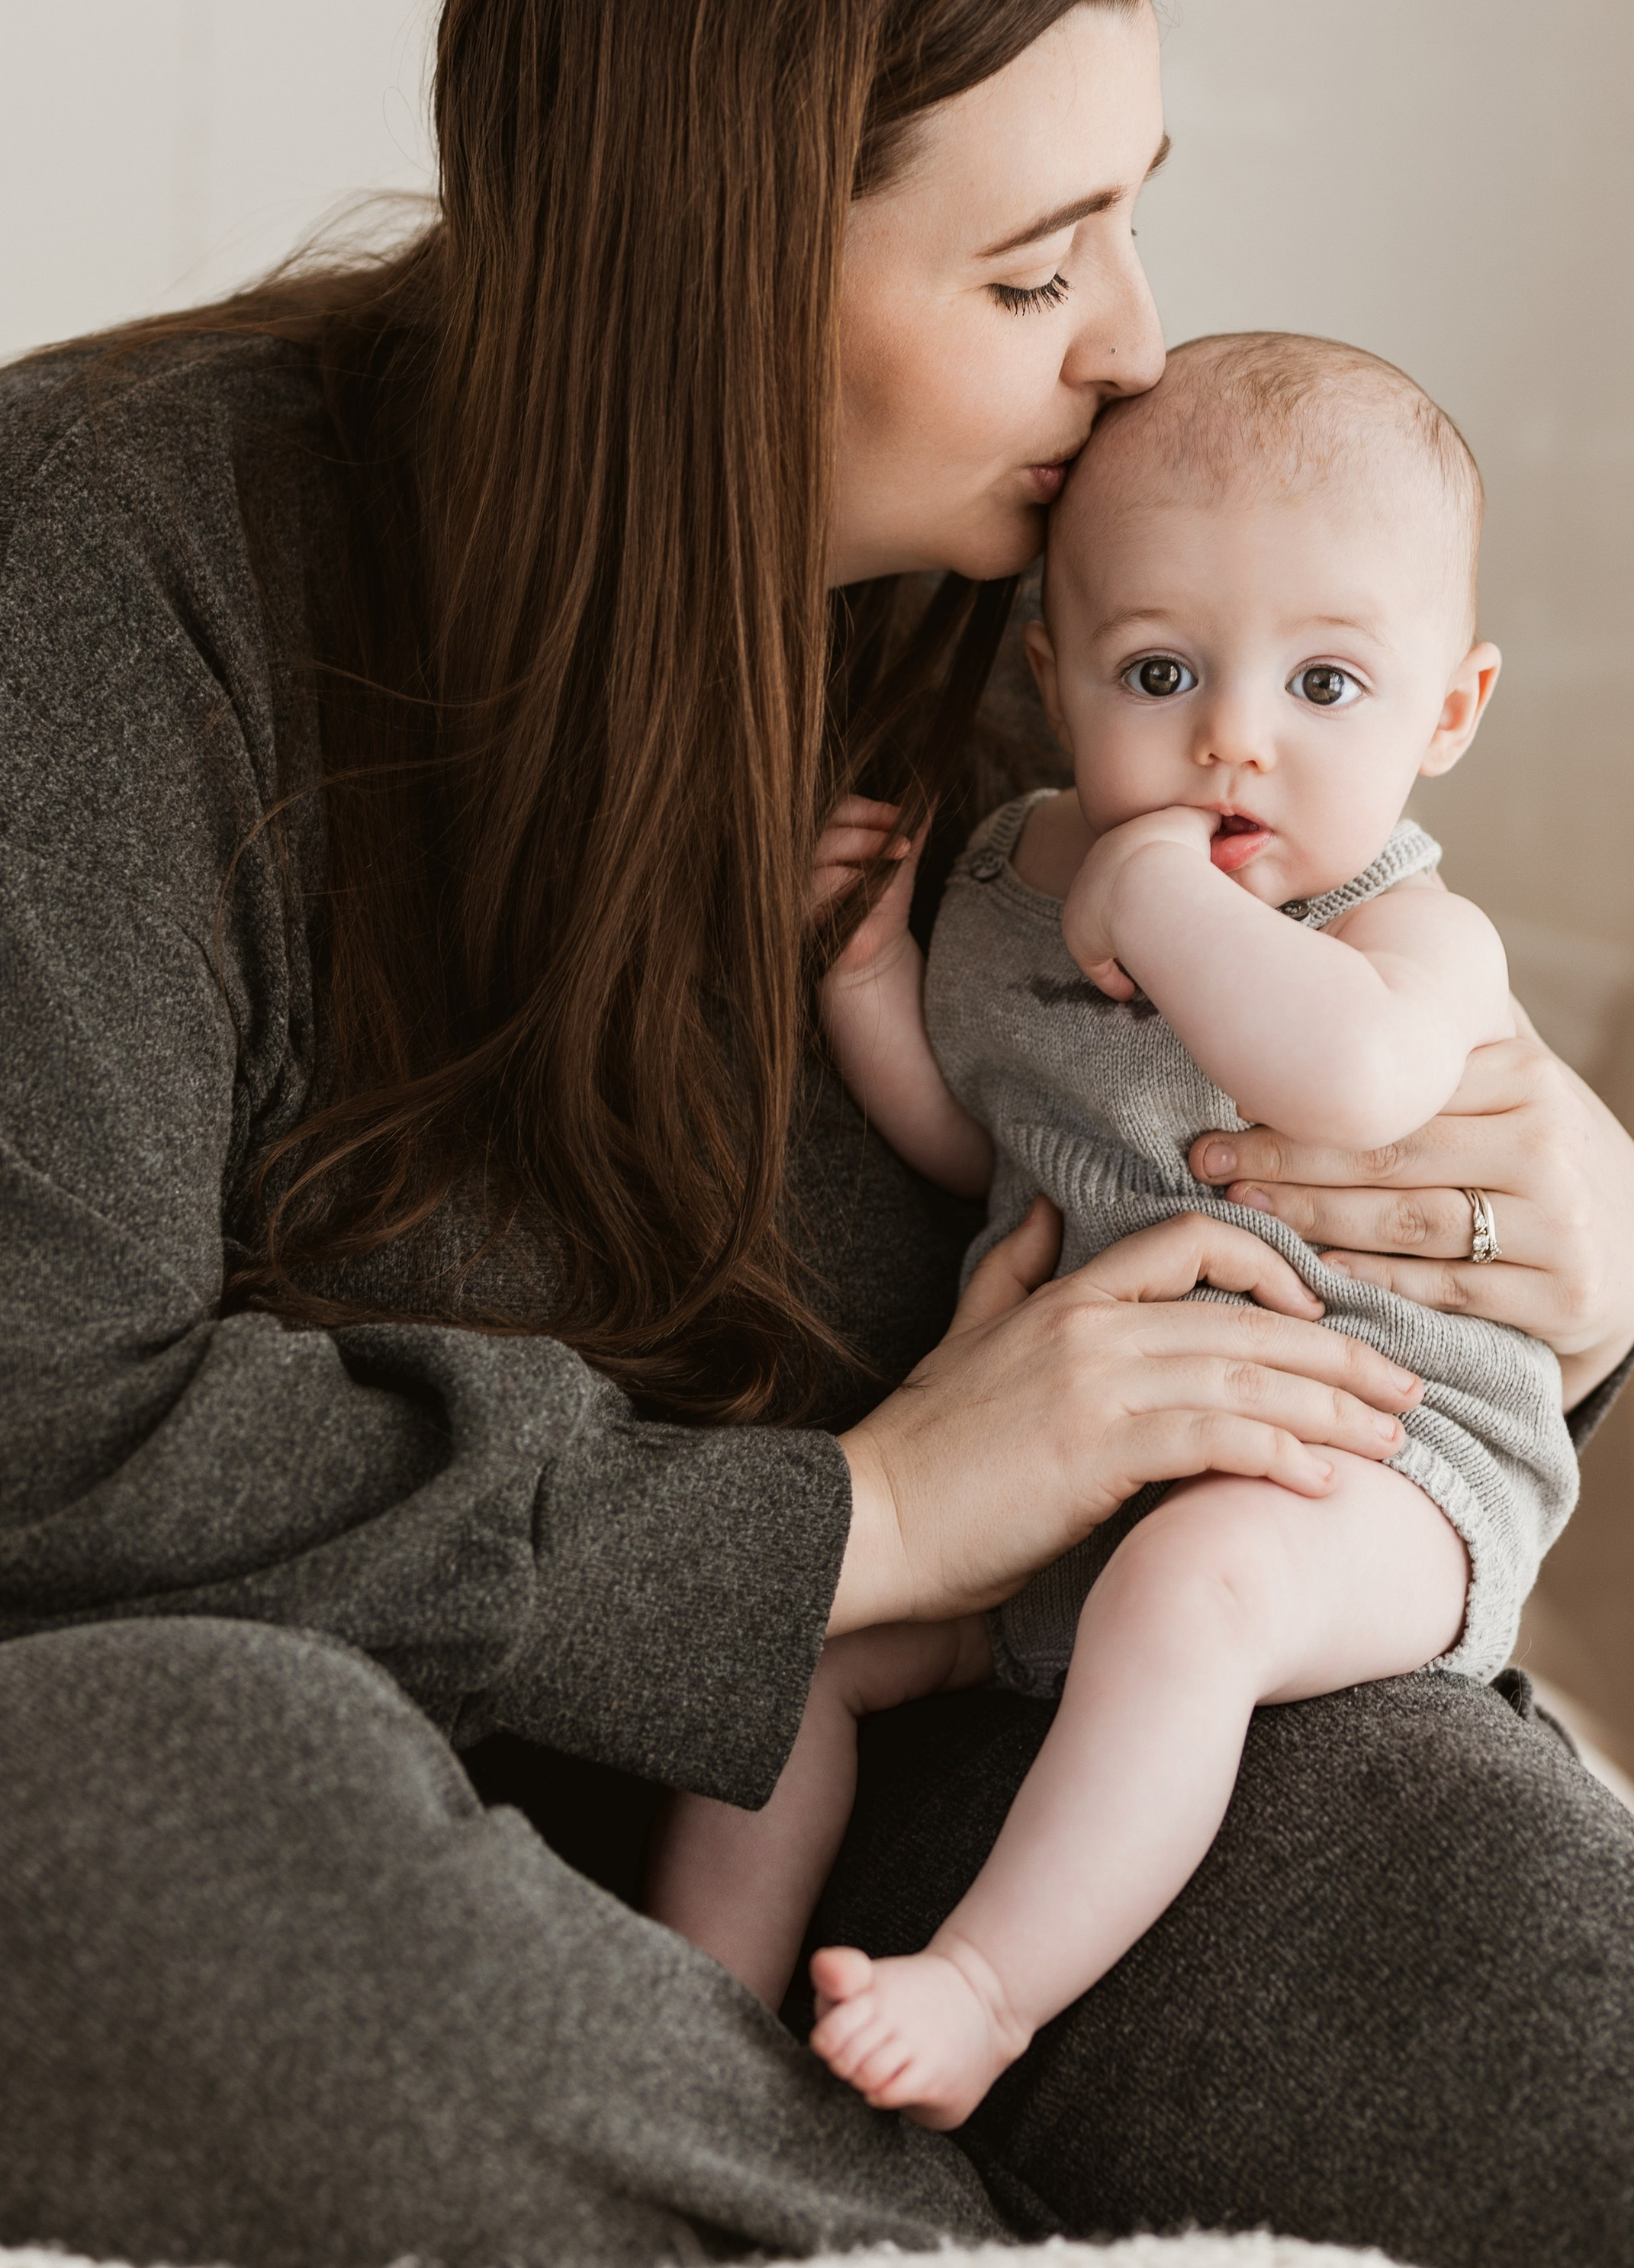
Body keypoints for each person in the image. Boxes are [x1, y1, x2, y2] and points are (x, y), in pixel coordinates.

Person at [2, 0, 1634, 2268]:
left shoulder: (1064, 614)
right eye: (1035, 276)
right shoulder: (97, 581)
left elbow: (1284, 1162)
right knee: (141, 1819)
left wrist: (1576, 1254)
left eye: (1136, 223)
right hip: (363, 1773)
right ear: (705, 286)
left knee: (1617, 2033)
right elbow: (48, 1424)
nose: (1131, 348)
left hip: (972, 1766)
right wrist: (863, 1524)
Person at [648, 333, 1581, 2131]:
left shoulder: (1405, 936)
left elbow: (1350, 1078)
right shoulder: (1015, 876)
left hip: (1374, 1464)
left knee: (1192, 1592)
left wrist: (1157, 896)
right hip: (1077, 1473)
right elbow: (983, 1138)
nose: (1233, 738)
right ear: (1052, 674)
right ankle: (678, 2019)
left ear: (1445, 715)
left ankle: (985, 1989)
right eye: (1160, 671)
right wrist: (866, 980)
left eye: (1324, 682)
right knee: (787, 1650)